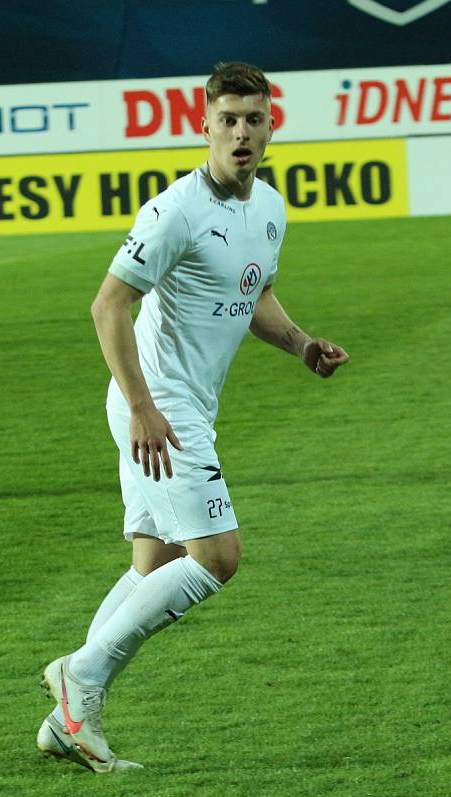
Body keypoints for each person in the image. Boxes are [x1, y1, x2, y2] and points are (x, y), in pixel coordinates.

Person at [37, 61, 350, 773]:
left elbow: (252, 297)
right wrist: (145, 407)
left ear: (272, 126)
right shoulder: (176, 209)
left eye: (254, 119)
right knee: (217, 556)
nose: (241, 133)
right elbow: (107, 305)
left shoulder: (269, 207)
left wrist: (301, 344)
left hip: (175, 406)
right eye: (228, 120)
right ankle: (81, 678)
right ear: (204, 126)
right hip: (160, 406)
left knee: (157, 560)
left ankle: (68, 720)